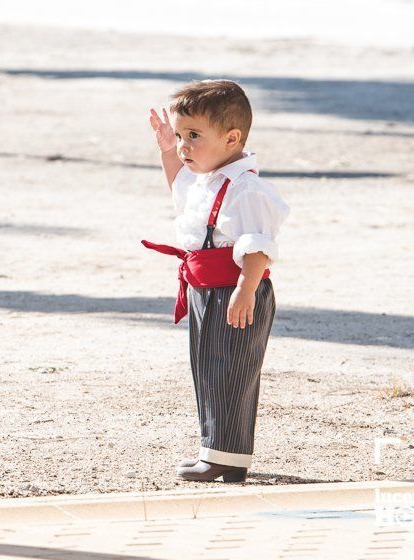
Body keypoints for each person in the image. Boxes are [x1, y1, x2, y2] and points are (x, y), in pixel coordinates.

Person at [145, 79, 290, 482]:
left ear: (231, 138)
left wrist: (246, 289)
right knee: (207, 368)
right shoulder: (208, 178)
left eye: (193, 136)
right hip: (204, 290)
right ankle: (219, 451)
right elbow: (180, 187)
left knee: (232, 369)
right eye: (179, 135)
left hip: (236, 290)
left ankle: (227, 455)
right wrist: (167, 151)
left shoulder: (247, 189)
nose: (184, 146)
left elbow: (258, 244)